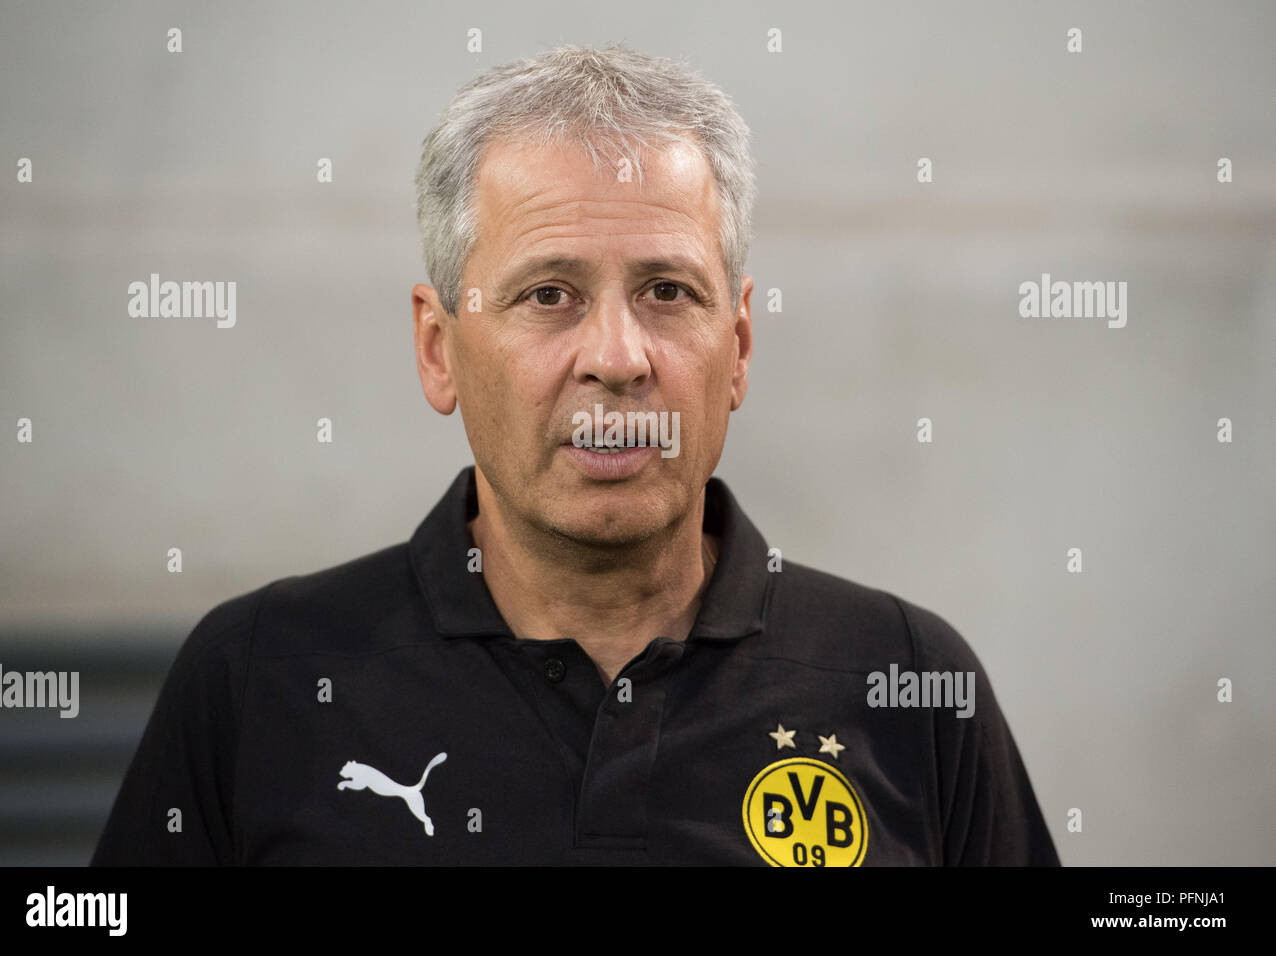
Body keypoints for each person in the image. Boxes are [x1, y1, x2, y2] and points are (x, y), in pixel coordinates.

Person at [92, 44, 1058, 866]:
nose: (616, 358)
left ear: (742, 347)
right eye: (548, 293)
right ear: (440, 351)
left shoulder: (910, 686)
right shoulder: (260, 679)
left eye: (668, 292)